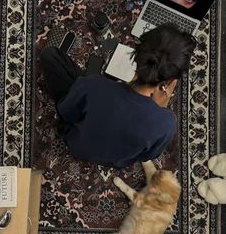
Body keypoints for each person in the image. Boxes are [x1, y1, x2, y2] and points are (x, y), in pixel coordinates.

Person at [39, 23, 195, 169]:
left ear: (136, 55)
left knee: (51, 55)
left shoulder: (94, 85)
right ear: (169, 82)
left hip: (77, 145)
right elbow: (147, 155)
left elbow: (66, 110)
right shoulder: (167, 123)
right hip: (115, 161)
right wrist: (159, 107)